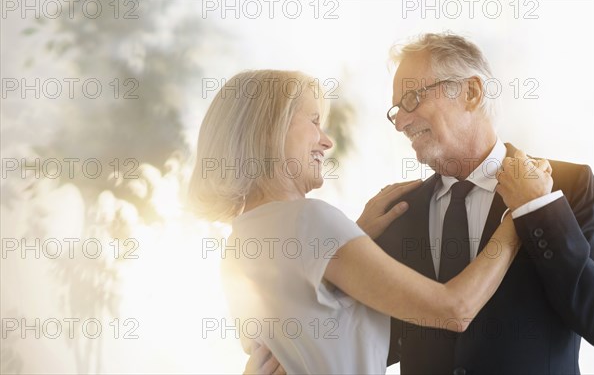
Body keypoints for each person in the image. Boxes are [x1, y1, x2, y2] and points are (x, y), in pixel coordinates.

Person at [245, 33, 594, 374]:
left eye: (412, 99)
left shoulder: (567, 188)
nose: (400, 122)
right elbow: (375, 342)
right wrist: (291, 358)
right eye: (396, 110)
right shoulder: (397, 212)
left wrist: (540, 209)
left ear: (471, 93)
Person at [189, 69, 553, 374]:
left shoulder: (242, 239)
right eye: (314, 121)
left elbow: (317, 330)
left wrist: (353, 236)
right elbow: (454, 310)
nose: (326, 141)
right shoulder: (310, 220)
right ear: (270, 128)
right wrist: (519, 214)